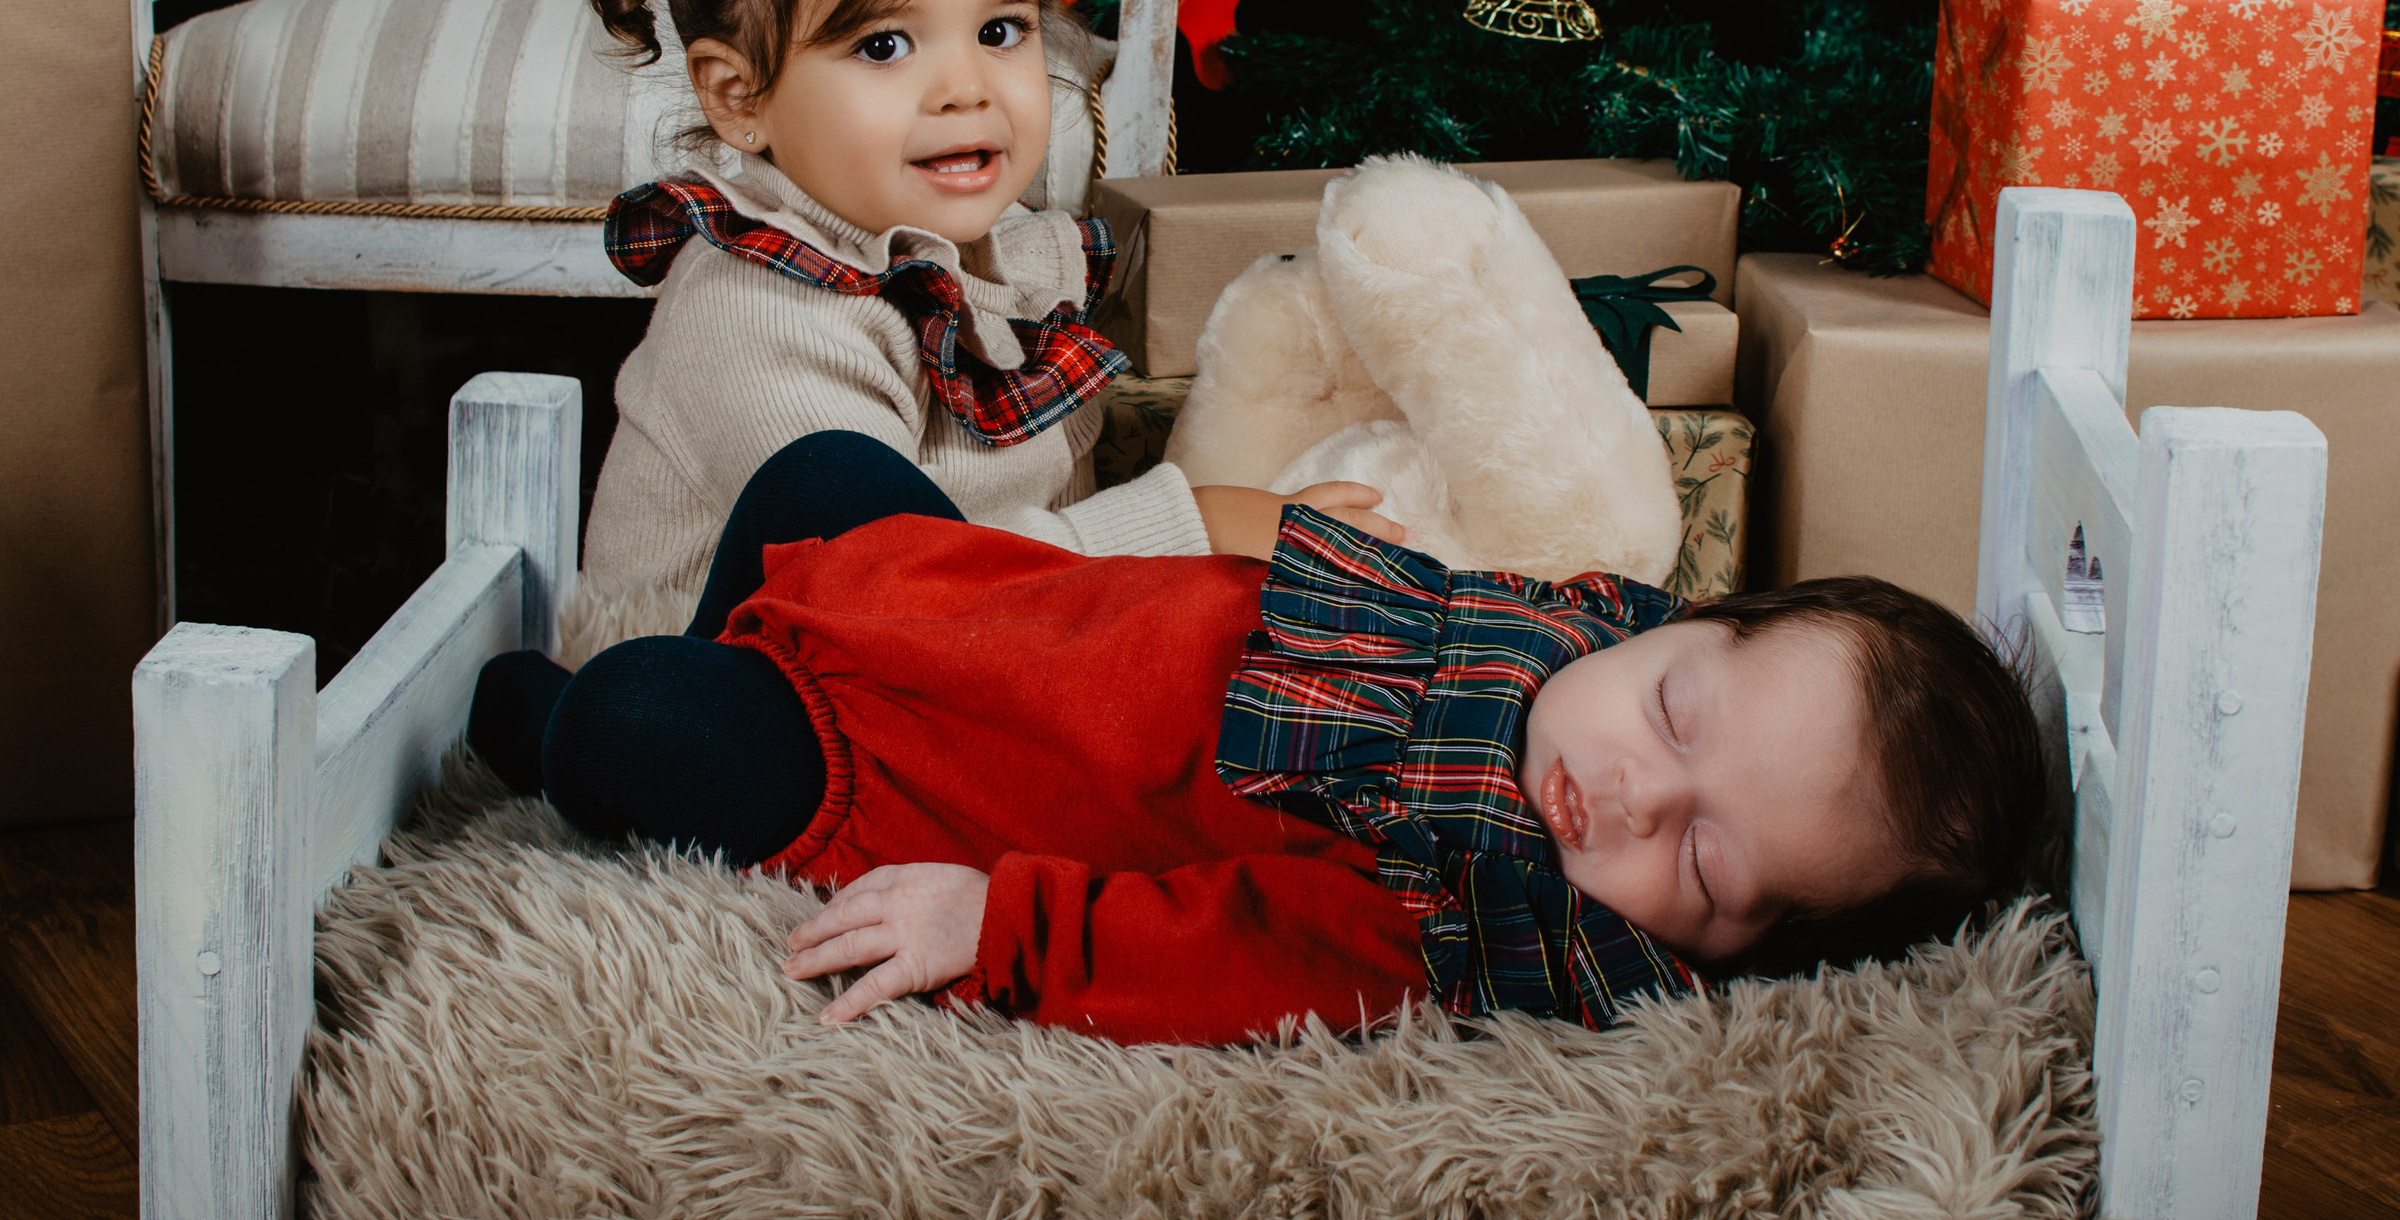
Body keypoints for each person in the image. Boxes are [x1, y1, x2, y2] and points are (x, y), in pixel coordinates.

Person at [470, 432, 2050, 1047]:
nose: (1630, 791)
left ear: (1732, 952)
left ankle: (576, 731)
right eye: (1679, 711)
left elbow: (1217, 955)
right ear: (1687, 618)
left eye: (1701, 859)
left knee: (638, 726)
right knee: (823, 477)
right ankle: (748, 636)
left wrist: (994, 919)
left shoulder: (1458, 902)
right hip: (1000, 627)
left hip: (923, 777)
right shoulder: (1554, 629)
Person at [566, 0, 1396, 659]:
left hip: (957, 655)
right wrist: (1191, 526)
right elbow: (906, 592)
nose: (966, 88)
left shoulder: (988, 262)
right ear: (741, 97)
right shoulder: (758, 318)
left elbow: (1028, 536)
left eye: (1001, 30)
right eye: (884, 45)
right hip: (750, 685)